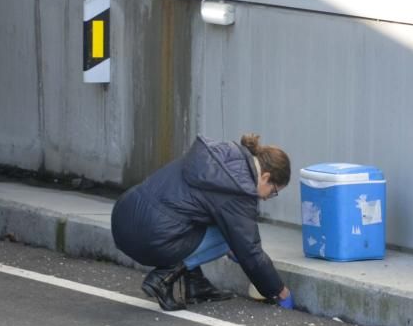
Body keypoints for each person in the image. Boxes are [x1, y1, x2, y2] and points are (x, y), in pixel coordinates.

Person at [111, 133, 294, 311]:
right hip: (150, 237)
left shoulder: (218, 154)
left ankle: (196, 286)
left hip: (122, 219)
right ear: (266, 177)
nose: (267, 198)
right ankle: (164, 278)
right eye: (273, 192)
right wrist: (279, 291)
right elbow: (249, 250)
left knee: (207, 219)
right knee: (229, 236)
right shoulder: (241, 191)